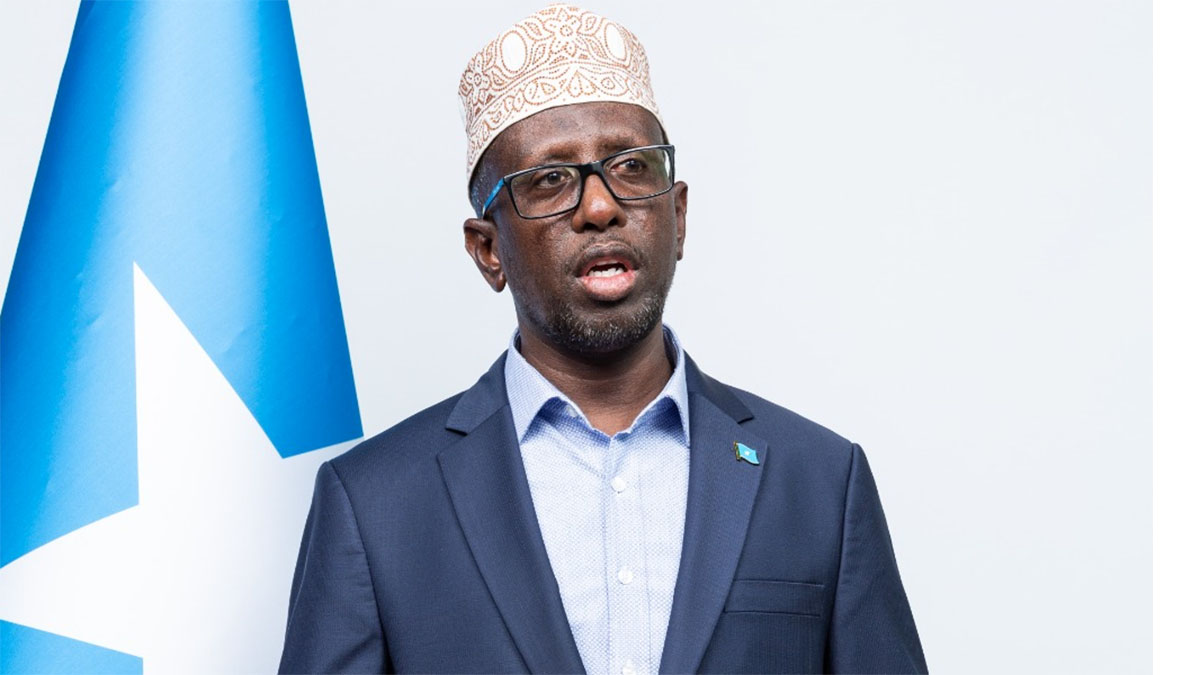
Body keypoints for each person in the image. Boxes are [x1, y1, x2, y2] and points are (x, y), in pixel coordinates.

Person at [279, 5, 926, 674]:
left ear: (678, 216)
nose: (600, 206)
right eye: (549, 180)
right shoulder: (375, 505)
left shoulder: (819, 479)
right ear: (488, 251)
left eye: (632, 167)